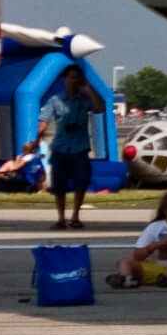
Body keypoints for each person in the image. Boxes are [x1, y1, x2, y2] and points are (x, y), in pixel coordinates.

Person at [42, 75, 98, 230]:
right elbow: (44, 120)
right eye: (71, 77)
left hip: (80, 148)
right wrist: (37, 139)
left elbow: (99, 108)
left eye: (76, 78)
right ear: (65, 79)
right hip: (61, 147)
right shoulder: (55, 100)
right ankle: (60, 218)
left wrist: (88, 89)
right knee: (59, 185)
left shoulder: (84, 100)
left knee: (81, 182)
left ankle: (76, 216)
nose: (74, 81)